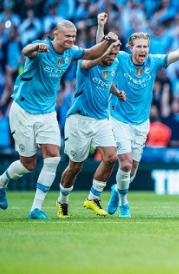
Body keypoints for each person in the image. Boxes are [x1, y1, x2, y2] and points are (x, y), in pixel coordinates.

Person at [0, 14, 119, 220]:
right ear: (55, 35)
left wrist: (106, 41)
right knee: (28, 164)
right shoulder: (41, 47)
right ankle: (0, 182)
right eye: (67, 36)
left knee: (53, 158)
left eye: (73, 36)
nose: (71, 40)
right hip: (23, 109)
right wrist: (35, 48)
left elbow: (89, 53)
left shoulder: (71, 52)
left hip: (47, 112)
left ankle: (36, 209)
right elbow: (26, 51)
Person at [99, 24, 179, 218]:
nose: (142, 50)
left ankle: (117, 190)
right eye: (139, 47)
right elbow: (100, 53)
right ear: (130, 48)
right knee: (125, 165)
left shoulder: (153, 62)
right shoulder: (121, 59)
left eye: (145, 47)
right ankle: (124, 203)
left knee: (131, 171)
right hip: (118, 118)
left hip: (141, 122)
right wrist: (101, 28)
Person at [56, 21, 126, 218]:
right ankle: (62, 199)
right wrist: (102, 38)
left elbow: (108, 79)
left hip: (101, 119)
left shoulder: (116, 62)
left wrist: (116, 91)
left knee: (111, 157)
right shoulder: (86, 64)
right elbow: (91, 59)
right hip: (79, 119)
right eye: (109, 54)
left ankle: (92, 198)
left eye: (114, 55)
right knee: (75, 166)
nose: (112, 58)